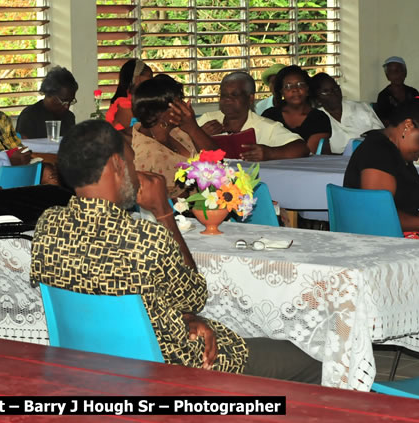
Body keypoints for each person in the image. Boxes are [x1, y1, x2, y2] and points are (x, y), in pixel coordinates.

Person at [31, 120, 321, 383]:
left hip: (92, 359)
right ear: (119, 166)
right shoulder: (145, 236)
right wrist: (163, 213)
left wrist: (184, 317)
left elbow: (100, 289)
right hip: (170, 363)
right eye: (132, 162)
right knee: (312, 362)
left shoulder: (48, 225)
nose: (136, 171)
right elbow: (194, 297)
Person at [343, 98, 419, 232]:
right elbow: (378, 215)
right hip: (379, 243)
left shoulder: (396, 153)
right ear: (408, 125)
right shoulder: (378, 152)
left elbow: (403, 210)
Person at [130, 75, 216, 199]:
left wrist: (194, 128)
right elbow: (179, 204)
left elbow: (218, 161)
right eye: (179, 102)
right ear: (162, 113)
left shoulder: (176, 131)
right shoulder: (150, 155)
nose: (185, 107)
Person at [197, 71, 308, 161]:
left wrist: (269, 153)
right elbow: (180, 144)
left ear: (250, 98)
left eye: (234, 95)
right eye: (223, 95)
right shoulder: (208, 119)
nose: (227, 99)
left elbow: (301, 148)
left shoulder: (266, 127)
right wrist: (200, 134)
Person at [262, 65, 331, 154]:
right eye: (288, 86)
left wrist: (272, 153)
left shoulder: (319, 118)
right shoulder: (270, 115)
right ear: (281, 91)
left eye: (300, 85)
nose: (295, 89)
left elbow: (308, 153)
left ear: (307, 89)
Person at [310, 72, 383, 154]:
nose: (334, 93)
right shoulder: (317, 119)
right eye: (326, 91)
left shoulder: (362, 108)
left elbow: (383, 136)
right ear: (317, 99)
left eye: (335, 88)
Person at [16, 66, 78, 139]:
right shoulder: (29, 116)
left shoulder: (69, 117)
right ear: (49, 94)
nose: (67, 106)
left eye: (70, 102)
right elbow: (23, 148)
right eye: (63, 101)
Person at [105, 58, 153, 134]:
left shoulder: (136, 102)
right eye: (150, 76)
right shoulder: (126, 105)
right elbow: (135, 136)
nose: (152, 81)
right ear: (138, 79)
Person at [375, 56, 419, 125]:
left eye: (399, 70)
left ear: (405, 73)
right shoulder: (383, 96)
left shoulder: (413, 92)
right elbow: (382, 120)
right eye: (392, 72)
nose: (396, 74)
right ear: (387, 75)